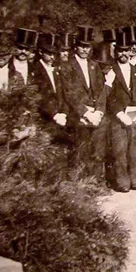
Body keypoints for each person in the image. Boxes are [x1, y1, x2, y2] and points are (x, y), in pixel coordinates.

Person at [59, 26, 108, 184]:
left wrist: (99, 112)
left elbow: (101, 91)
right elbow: (69, 93)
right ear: (75, 47)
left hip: (96, 115)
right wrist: (86, 113)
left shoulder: (94, 66)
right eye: (81, 46)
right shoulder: (67, 67)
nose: (84, 50)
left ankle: (97, 181)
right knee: (82, 150)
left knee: (98, 149)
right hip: (80, 115)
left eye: (87, 46)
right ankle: (82, 183)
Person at [105, 31, 136, 193]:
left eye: (126, 50)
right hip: (119, 119)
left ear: (131, 51)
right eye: (120, 50)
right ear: (115, 52)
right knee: (120, 150)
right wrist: (119, 113)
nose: (123, 53)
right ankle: (123, 182)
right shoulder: (111, 71)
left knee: (135, 149)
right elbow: (108, 97)